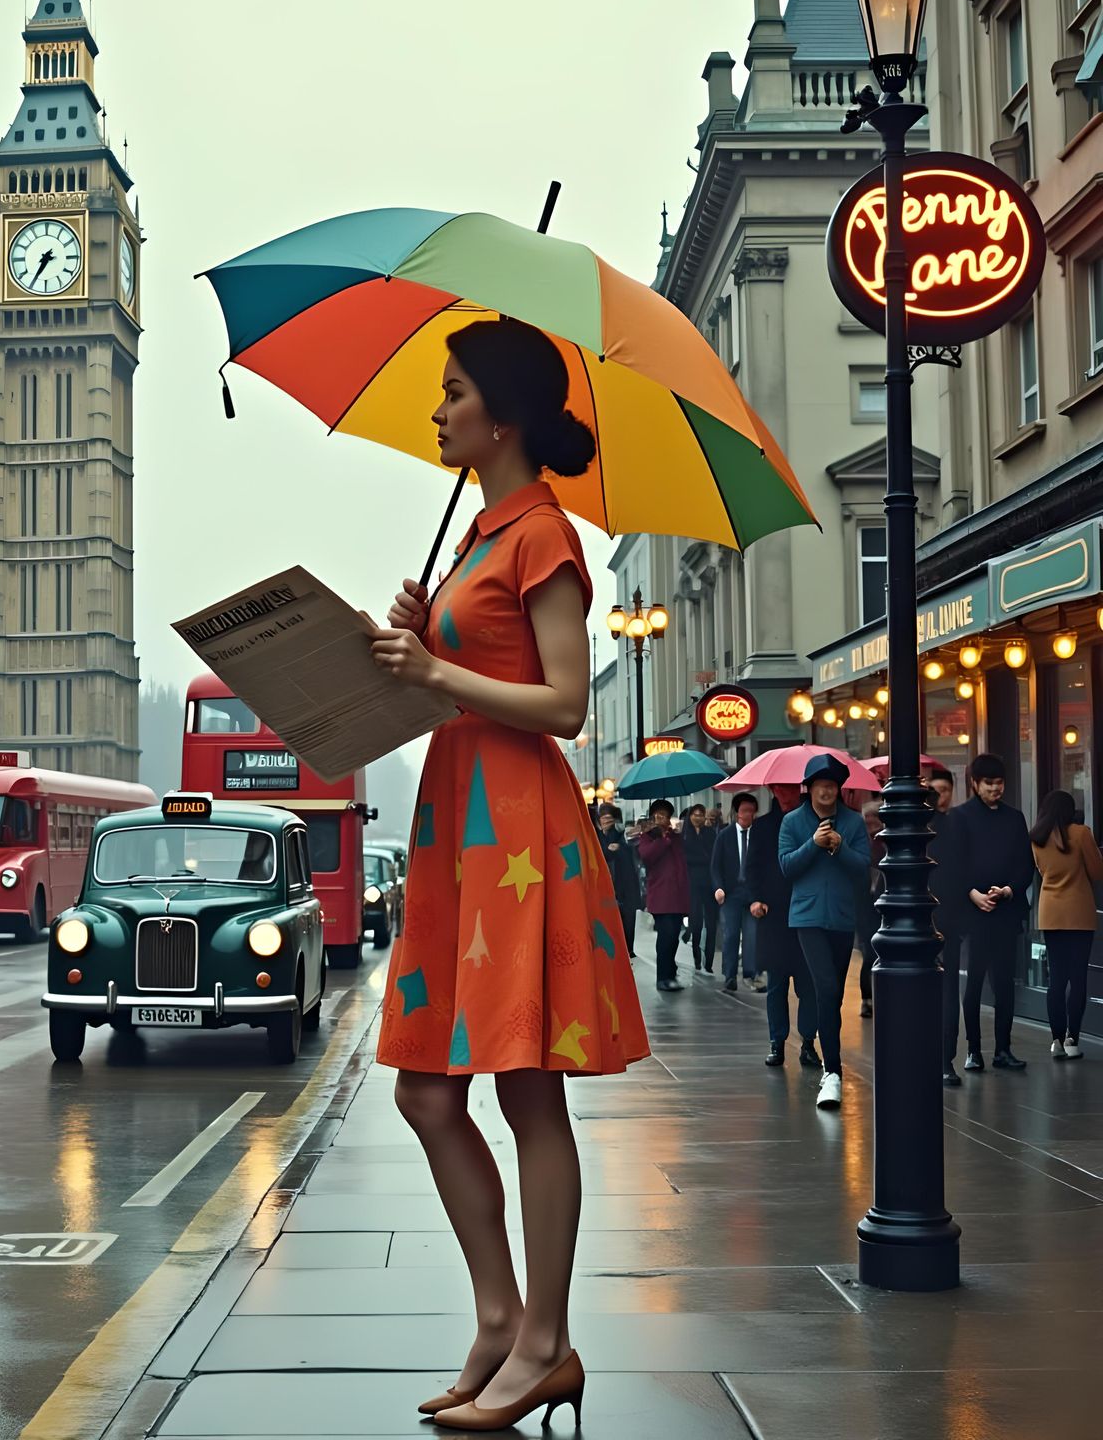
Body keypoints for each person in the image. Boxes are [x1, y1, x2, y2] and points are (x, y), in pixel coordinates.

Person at [369, 317, 647, 1430]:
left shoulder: (542, 535)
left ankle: (544, 1342)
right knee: (427, 1090)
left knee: (530, 1092)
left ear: (504, 416)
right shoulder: (480, 540)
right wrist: (417, 642)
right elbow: (464, 677)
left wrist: (437, 667)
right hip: (460, 827)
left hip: (517, 831)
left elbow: (567, 704)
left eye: (453, 392)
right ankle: (500, 1319)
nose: (438, 411)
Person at [779, 753, 869, 1110]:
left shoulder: (853, 822)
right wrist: (813, 844)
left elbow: (863, 867)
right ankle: (833, 1072)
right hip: (807, 918)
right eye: (820, 786)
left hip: (842, 918)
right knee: (827, 988)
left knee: (833, 997)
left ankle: (830, 1066)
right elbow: (787, 867)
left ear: (839, 789)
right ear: (810, 789)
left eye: (832, 786)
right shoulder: (792, 821)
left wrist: (840, 847)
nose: (826, 792)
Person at [937, 753, 1034, 1073]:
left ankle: (1003, 1049)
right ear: (975, 784)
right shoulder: (959, 817)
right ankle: (973, 1050)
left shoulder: (1015, 818)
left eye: (1000, 783)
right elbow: (954, 864)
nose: (995, 789)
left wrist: (1008, 890)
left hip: (1006, 910)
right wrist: (973, 894)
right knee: (975, 981)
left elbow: (1025, 863)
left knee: (1005, 982)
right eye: (989, 783)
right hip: (974, 912)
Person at [749, 784, 820, 1068]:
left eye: (790, 789)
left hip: (807, 911)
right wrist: (755, 899)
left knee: (809, 984)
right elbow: (752, 867)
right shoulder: (763, 826)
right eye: (779, 789)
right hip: (774, 913)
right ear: (772, 791)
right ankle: (776, 1042)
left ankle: (808, 1042)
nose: (785, 794)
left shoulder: (813, 822)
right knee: (776, 984)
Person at [1030, 791, 1102, 1062]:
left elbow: (1041, 871)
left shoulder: (1037, 838)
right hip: (1079, 914)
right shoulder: (1081, 834)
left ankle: (1056, 1040)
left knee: (1056, 980)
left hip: (1050, 914)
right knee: (1077, 978)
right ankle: (1073, 1039)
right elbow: (1097, 871)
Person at [926, 769, 968, 1085]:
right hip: (929, 917)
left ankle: (943, 1058)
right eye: (935, 791)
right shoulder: (927, 828)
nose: (941, 797)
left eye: (945, 790)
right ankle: (938, 1058)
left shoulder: (955, 825)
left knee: (947, 988)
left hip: (946, 917)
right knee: (938, 989)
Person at [637, 799, 690, 991]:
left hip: (678, 895)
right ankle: (663, 977)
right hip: (661, 896)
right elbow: (647, 856)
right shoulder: (648, 836)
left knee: (674, 936)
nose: (662, 818)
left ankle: (670, 974)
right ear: (652, 817)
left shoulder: (677, 837)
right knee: (665, 937)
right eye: (658, 815)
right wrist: (663, 839)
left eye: (665, 815)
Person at [711, 792, 759, 992]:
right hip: (731, 893)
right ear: (736, 812)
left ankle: (750, 974)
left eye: (751, 811)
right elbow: (715, 866)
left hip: (753, 893)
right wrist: (718, 887)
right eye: (744, 810)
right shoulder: (725, 835)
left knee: (752, 934)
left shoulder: (759, 836)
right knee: (730, 934)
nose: (748, 815)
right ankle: (729, 976)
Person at [596, 802, 641, 957]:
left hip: (625, 886)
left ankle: (629, 950)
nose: (606, 822)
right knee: (609, 921)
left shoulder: (623, 835)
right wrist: (607, 849)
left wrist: (619, 848)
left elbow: (632, 852)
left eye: (609, 819)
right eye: (603, 819)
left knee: (628, 920)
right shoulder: (596, 837)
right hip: (606, 888)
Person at [855, 800, 885, 1019]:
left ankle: (880, 996)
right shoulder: (860, 842)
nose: (871, 822)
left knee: (880, 953)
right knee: (869, 953)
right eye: (868, 819)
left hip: (884, 904)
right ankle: (867, 998)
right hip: (864, 906)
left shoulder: (886, 841)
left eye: (875, 818)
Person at [682, 804, 718, 973]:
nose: (697, 818)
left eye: (700, 815)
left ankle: (709, 961)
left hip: (710, 884)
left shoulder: (710, 833)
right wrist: (703, 859)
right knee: (696, 922)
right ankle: (696, 956)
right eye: (695, 815)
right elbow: (684, 859)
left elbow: (714, 856)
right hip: (692, 884)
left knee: (711, 924)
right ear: (690, 816)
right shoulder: (684, 835)